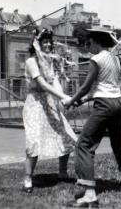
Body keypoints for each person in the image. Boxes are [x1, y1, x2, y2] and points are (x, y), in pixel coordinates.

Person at [63, 29, 121, 208]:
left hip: (105, 106)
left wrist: (71, 100)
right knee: (117, 142)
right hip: (117, 104)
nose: (88, 47)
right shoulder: (114, 59)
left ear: (95, 42)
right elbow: (105, 87)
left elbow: (86, 87)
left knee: (84, 145)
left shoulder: (96, 59)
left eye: (89, 43)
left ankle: (90, 195)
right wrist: (83, 100)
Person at [22, 28, 77, 193]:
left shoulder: (49, 61)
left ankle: (62, 173)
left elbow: (53, 82)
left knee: (64, 134)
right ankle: (27, 179)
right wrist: (62, 97)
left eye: (49, 42)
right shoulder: (31, 62)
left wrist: (63, 98)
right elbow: (42, 84)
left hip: (49, 102)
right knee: (34, 142)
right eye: (44, 42)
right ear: (37, 44)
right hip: (35, 104)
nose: (48, 44)